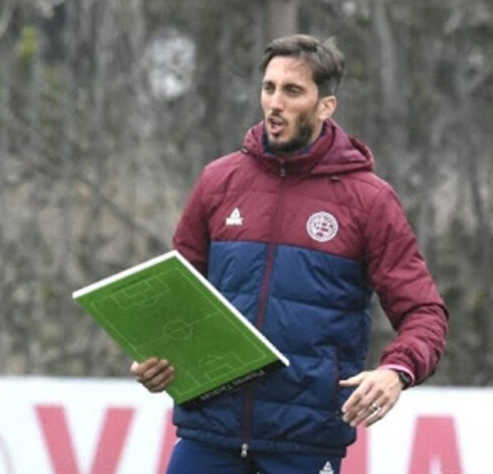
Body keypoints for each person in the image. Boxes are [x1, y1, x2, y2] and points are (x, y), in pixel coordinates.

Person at [131, 34, 448, 473]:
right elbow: (176, 299)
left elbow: (425, 313)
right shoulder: (218, 182)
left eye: (292, 91)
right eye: (269, 88)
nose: (274, 103)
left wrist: (396, 371)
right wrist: (158, 358)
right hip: (209, 433)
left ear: (326, 106)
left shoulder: (369, 201)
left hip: (305, 444)